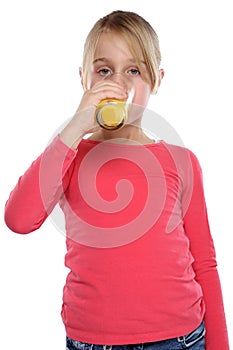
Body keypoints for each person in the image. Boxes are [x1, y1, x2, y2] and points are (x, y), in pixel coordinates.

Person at [4, 10, 229, 350]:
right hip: (91, 341)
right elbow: (18, 219)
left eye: (134, 70)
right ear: (85, 79)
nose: (118, 84)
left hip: (179, 339)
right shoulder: (69, 156)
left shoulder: (181, 162)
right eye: (104, 70)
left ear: (157, 79)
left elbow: (205, 263)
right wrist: (76, 127)